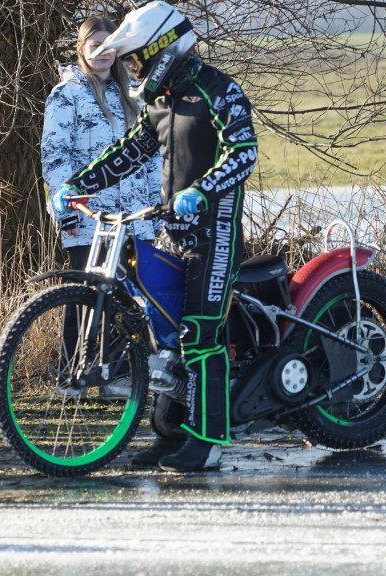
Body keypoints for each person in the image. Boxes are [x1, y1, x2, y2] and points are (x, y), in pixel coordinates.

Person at [51, 1, 258, 472]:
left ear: (163, 48)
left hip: (214, 234)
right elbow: (130, 151)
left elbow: (244, 153)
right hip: (171, 233)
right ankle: (169, 432)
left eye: (137, 58)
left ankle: (207, 443)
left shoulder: (219, 90)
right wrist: (77, 185)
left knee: (200, 336)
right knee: (164, 340)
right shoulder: (161, 101)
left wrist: (202, 191)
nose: (135, 67)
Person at [41, 15, 162, 400]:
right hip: (88, 215)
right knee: (82, 293)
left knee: (128, 298)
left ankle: (114, 375)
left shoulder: (135, 96)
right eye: (94, 45)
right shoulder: (67, 94)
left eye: (109, 45)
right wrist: (67, 200)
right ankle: (72, 375)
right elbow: (55, 154)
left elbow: (152, 154)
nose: (102, 53)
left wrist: (157, 204)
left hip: (135, 216)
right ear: (81, 48)